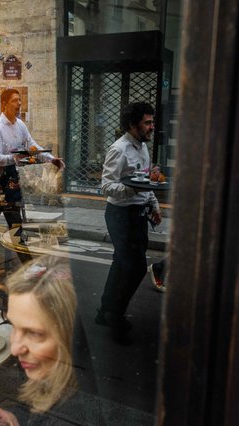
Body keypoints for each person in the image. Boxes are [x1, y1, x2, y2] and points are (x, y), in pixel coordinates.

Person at [0, 89, 65, 262]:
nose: (19, 104)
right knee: (11, 220)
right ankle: (28, 264)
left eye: (19, 100)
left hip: (11, 176)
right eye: (14, 101)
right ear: (4, 104)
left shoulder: (20, 125)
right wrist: (16, 158)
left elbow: (32, 146)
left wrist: (51, 159)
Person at [0, 255, 78, 426]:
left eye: (34, 334)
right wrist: (17, 418)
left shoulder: (79, 413)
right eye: (13, 326)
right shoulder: (54, 377)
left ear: (73, 335)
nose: (15, 349)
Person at [95, 101, 162, 345]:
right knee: (132, 268)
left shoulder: (143, 148)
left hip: (139, 214)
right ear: (133, 124)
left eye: (152, 122)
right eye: (147, 122)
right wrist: (132, 189)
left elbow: (146, 180)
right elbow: (107, 186)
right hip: (120, 216)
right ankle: (115, 316)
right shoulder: (119, 149)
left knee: (123, 266)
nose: (152, 127)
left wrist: (153, 205)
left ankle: (105, 311)